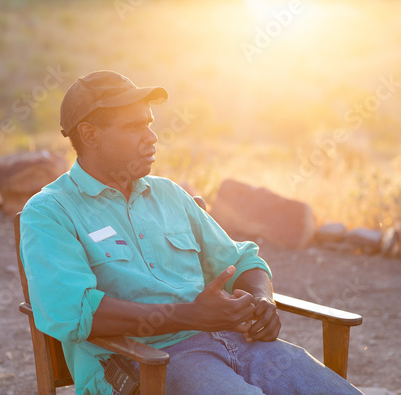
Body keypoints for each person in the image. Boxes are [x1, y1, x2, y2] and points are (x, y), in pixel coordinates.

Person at [19, 70, 362, 394]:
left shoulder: (169, 194)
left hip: (238, 344)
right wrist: (189, 316)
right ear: (90, 135)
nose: (152, 138)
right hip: (146, 363)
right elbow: (71, 311)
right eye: (135, 127)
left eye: (150, 125)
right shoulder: (51, 211)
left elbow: (242, 260)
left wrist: (261, 300)